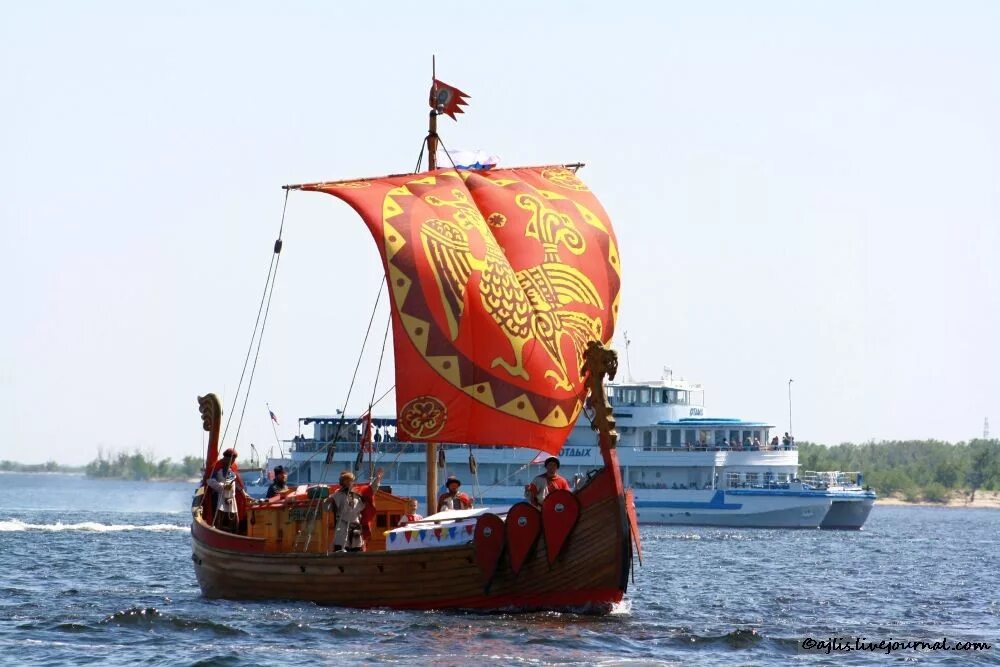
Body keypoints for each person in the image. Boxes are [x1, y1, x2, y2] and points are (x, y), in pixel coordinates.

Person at [327, 469, 382, 552]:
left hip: (355, 525)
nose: (349, 483)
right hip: (342, 526)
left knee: (357, 548)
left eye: (350, 481)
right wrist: (328, 500)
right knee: (341, 547)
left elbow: (370, 490)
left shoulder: (358, 493)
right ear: (342, 482)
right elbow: (326, 507)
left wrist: (377, 478)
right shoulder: (337, 495)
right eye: (346, 481)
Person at [206, 448, 253, 533]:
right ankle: (218, 534)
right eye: (231, 459)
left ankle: (234, 534)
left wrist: (244, 494)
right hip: (221, 498)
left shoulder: (232, 471)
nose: (232, 462)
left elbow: (237, 484)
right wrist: (222, 486)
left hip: (232, 499)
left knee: (234, 521)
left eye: (234, 460)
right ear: (225, 458)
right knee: (220, 519)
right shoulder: (217, 469)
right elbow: (210, 481)